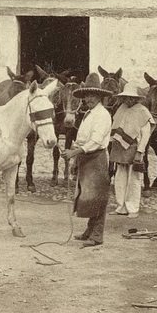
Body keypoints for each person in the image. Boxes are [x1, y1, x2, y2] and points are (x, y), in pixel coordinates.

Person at [61, 72, 113, 247]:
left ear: (99, 96)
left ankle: (97, 235)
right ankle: (89, 231)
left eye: (93, 95)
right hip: (85, 157)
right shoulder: (88, 114)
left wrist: (74, 153)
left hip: (96, 158)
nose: (89, 99)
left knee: (97, 196)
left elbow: (96, 141)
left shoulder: (103, 115)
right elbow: (82, 139)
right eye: (87, 95)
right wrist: (74, 154)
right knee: (88, 196)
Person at [109, 84, 154, 218]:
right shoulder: (121, 109)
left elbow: (146, 134)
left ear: (136, 99)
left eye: (130, 98)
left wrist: (140, 151)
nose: (128, 100)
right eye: (125, 97)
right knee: (119, 176)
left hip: (134, 147)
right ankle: (120, 206)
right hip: (120, 146)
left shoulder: (142, 111)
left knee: (133, 178)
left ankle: (133, 208)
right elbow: (116, 126)